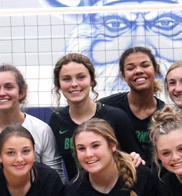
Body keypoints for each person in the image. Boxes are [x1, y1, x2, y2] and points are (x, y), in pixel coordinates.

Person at [47, 53, 140, 181]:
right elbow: (55, 167)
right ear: (58, 84)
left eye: (81, 77)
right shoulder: (57, 120)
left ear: (91, 80)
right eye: (67, 79)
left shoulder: (115, 117)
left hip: (117, 193)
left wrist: (136, 157)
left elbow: (136, 159)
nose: (74, 84)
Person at [0, 64, 62, 179]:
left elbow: (56, 178)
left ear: (21, 93)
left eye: (9, 87)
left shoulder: (42, 130)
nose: (2, 93)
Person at [64, 119, 163, 196]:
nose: (88, 154)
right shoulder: (73, 190)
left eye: (95, 146)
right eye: (81, 148)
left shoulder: (142, 177)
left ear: (112, 146)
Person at [99, 46, 167, 160]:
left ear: (155, 70)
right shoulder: (106, 108)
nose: (139, 71)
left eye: (145, 65)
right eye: (131, 68)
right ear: (124, 76)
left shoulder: (165, 113)